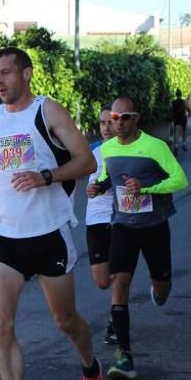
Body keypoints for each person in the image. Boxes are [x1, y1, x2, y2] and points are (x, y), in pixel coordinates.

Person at [0, 46, 103, 380]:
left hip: (48, 232)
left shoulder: (49, 113)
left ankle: (90, 368)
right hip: (2, 235)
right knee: (0, 324)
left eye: (7, 72)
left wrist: (46, 175)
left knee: (65, 321)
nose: (0, 80)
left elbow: (87, 162)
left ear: (26, 74)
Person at [89, 97, 188, 380]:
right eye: (115, 117)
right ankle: (124, 356)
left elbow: (180, 180)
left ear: (137, 119)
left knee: (163, 287)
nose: (118, 123)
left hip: (154, 226)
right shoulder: (107, 148)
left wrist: (146, 187)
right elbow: (112, 178)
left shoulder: (156, 147)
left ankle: (159, 290)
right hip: (123, 225)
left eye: (125, 117)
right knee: (119, 283)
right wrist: (99, 187)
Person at [87, 108, 117, 346]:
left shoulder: (127, 150)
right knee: (101, 281)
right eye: (102, 123)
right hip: (95, 219)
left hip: (120, 218)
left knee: (118, 274)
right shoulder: (90, 152)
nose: (106, 127)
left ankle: (115, 321)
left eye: (110, 122)